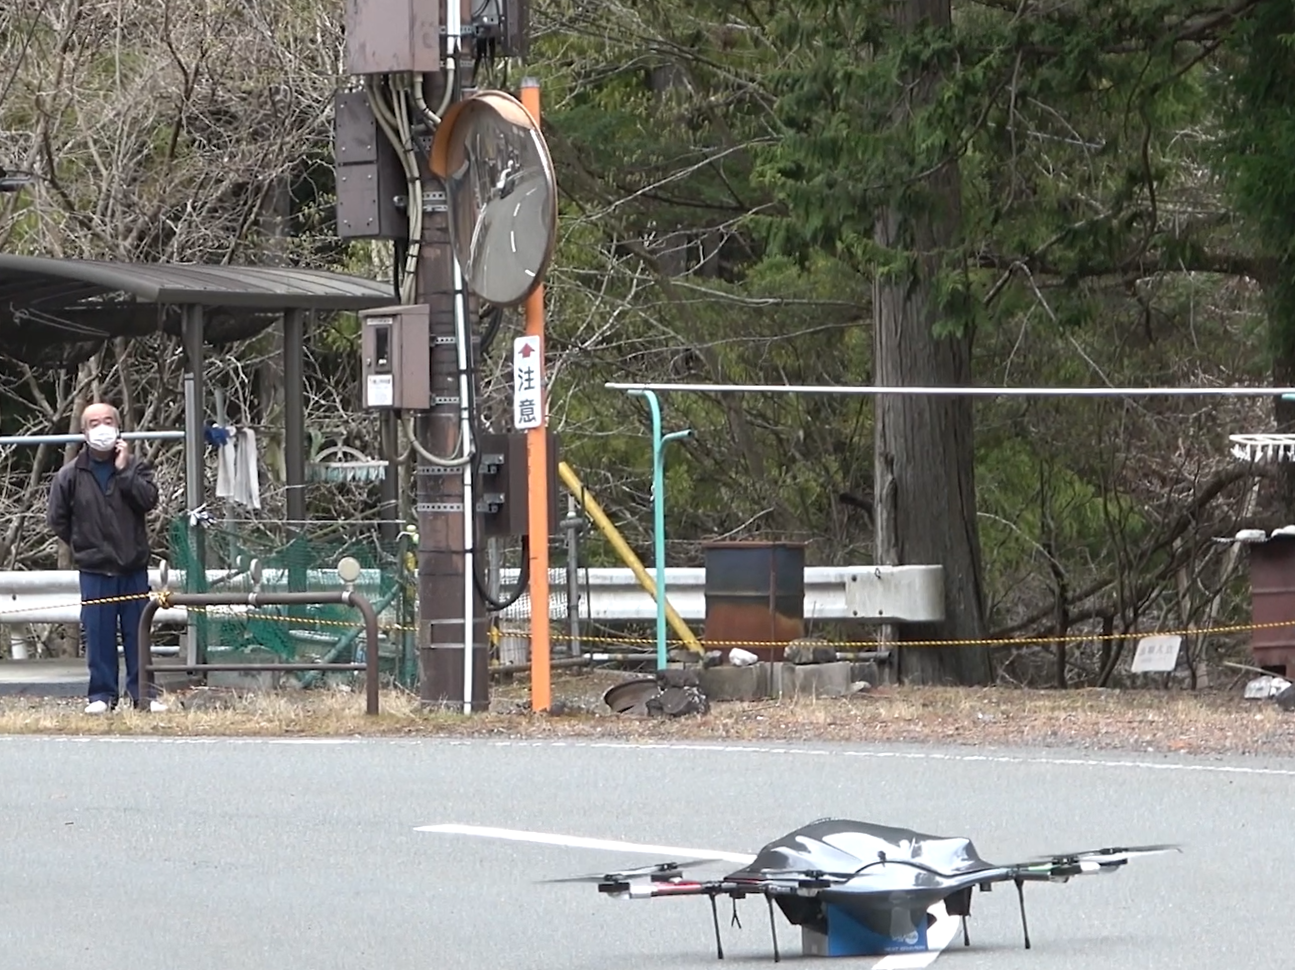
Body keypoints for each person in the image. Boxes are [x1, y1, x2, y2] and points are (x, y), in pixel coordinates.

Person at [46, 402, 167, 714]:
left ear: (119, 427)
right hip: (94, 569)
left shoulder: (137, 467)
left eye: (108, 421)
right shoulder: (70, 474)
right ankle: (101, 695)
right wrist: (82, 545)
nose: (102, 428)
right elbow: (58, 519)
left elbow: (148, 500)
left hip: (133, 566)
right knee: (98, 635)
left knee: (137, 632)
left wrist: (124, 470)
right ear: (84, 432)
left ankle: (144, 695)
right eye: (95, 423)